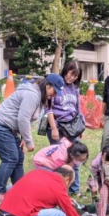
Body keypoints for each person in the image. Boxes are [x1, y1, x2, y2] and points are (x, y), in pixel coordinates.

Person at [0, 74, 63, 204]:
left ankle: (19, 189)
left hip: (9, 128)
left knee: (19, 158)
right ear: (48, 85)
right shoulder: (32, 95)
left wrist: (22, 137)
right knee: (10, 158)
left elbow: (27, 119)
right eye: (54, 91)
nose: (55, 95)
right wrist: (29, 141)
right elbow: (23, 118)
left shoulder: (39, 97)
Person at [47, 61, 86, 195]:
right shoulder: (56, 85)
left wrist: (81, 127)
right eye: (71, 74)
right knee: (59, 159)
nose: (72, 78)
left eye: (76, 76)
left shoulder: (75, 88)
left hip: (73, 127)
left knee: (74, 158)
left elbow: (78, 109)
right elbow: (49, 109)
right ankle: (58, 189)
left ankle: (75, 190)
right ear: (65, 70)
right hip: (58, 127)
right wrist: (53, 129)